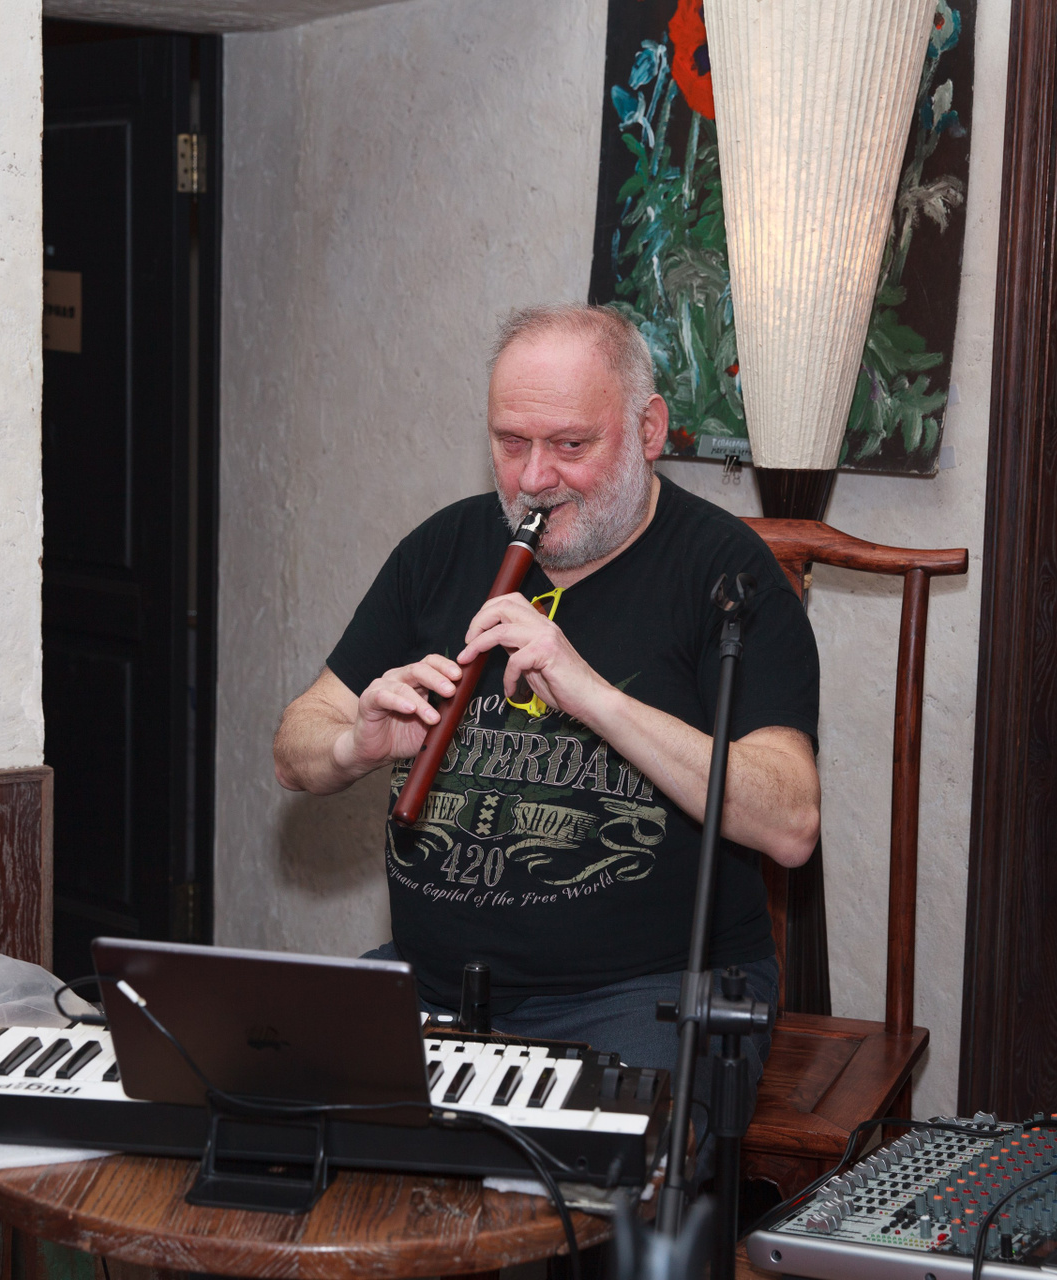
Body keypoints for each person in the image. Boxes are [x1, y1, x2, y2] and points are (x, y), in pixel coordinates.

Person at [272, 303, 821, 1117]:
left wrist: (592, 695)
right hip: (431, 990)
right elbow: (295, 745)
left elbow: (790, 820)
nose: (532, 479)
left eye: (570, 446)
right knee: (264, 1113)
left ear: (648, 430)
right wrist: (355, 742)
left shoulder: (726, 577)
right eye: (511, 443)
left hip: (643, 995)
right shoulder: (443, 550)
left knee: (562, 1169)